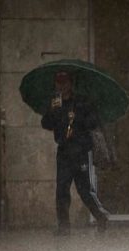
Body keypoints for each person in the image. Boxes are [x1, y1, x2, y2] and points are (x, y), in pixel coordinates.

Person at [41, 71, 109, 235]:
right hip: (64, 152)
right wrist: (53, 111)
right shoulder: (55, 103)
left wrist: (77, 119)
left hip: (81, 151)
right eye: (58, 83)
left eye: (64, 82)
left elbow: (92, 122)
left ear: (71, 84)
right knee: (62, 190)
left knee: (84, 190)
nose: (61, 86)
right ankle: (64, 227)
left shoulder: (82, 102)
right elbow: (46, 123)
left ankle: (100, 217)